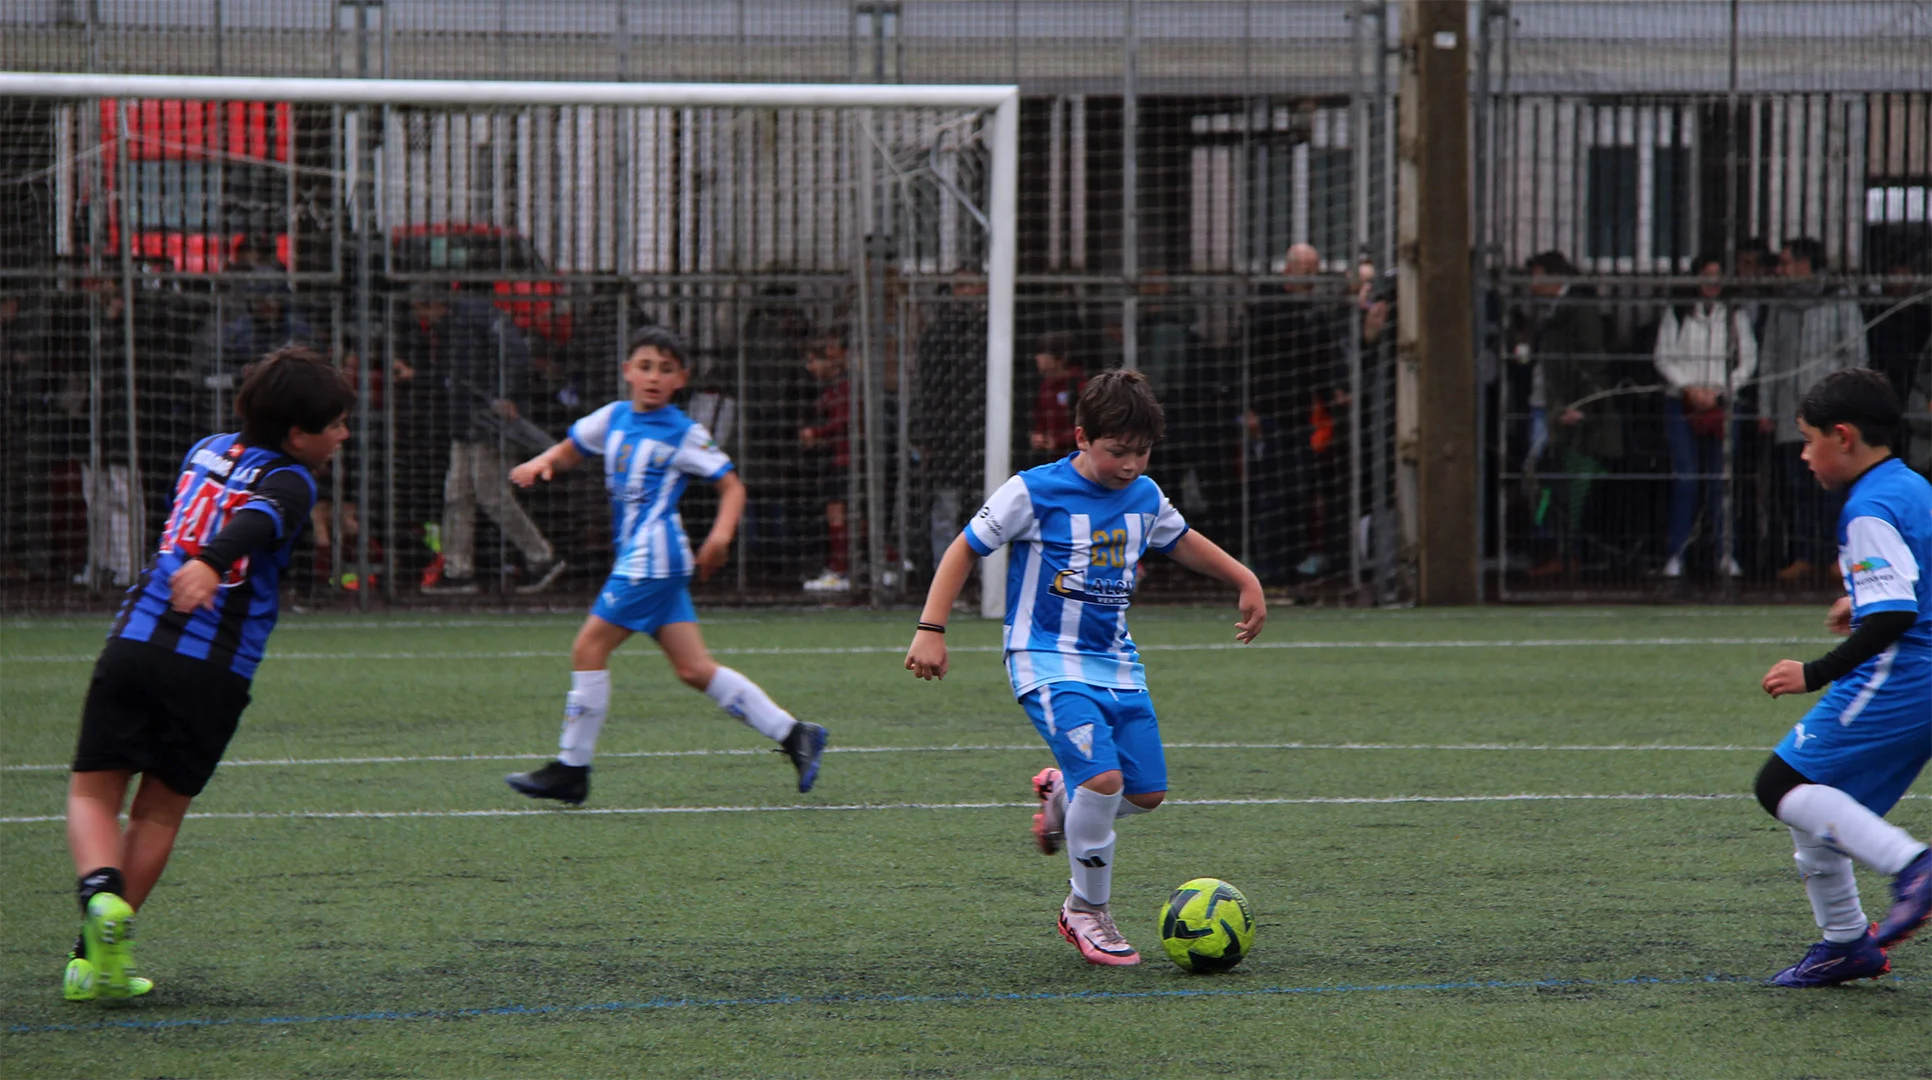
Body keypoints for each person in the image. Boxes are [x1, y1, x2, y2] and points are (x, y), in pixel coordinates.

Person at [903, 370, 1265, 966]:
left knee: (1147, 793)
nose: (1130, 464)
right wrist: (931, 629)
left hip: (1116, 664)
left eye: (1142, 451)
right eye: (1117, 451)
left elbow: (1181, 539)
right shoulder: (1032, 491)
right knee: (1103, 783)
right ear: (1081, 438)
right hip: (1045, 658)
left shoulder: (1144, 495)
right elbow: (965, 547)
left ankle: (1061, 799)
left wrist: (1244, 579)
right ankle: (1086, 909)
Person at [60, 346, 353, 1002]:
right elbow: (258, 515)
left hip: (135, 644)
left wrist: (203, 558)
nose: (344, 436)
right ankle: (91, 957)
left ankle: (99, 898)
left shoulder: (204, 450)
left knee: (93, 795)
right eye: (335, 425)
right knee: (159, 815)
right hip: (214, 670)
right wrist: (213, 562)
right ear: (297, 435)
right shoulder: (295, 481)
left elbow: (220, 510)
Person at [502, 326, 828, 806]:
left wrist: (720, 538)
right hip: (646, 559)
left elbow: (732, 487)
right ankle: (796, 733)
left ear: (681, 379)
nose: (654, 377)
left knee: (588, 648)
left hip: (652, 559)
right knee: (693, 669)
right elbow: (572, 448)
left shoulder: (683, 431)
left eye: (666, 369)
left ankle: (571, 769)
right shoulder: (614, 417)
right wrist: (541, 462)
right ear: (627, 372)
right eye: (646, 366)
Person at [1754, 367, 1932, 986]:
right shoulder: (1911, 485)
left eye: (1809, 440)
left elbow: (1895, 615)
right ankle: (1846, 943)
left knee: (1781, 784)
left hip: (1907, 674)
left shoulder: (1867, 507)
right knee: (1820, 801)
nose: (1805, 456)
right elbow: (1911, 579)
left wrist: (1814, 672)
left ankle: (1913, 867)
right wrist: (1857, 598)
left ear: (1844, 436)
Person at [395, 288, 563, 595]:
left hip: (487, 420)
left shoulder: (473, 317)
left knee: (492, 495)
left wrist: (506, 394)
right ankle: (458, 570)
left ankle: (542, 558)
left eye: (420, 308)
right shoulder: (453, 325)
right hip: (467, 420)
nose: (419, 317)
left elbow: (513, 352)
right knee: (458, 495)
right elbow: (454, 376)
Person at [1758, 237, 1870, 583]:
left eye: (1787, 262)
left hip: (1831, 412)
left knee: (1833, 486)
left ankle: (1840, 555)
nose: (1781, 270)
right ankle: (1806, 555)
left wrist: (1850, 402)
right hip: (1790, 409)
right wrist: (1766, 407)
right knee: (1798, 487)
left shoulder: (1839, 299)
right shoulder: (1781, 305)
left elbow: (1856, 353)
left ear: (1805, 264)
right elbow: (1769, 357)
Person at [1652, 251, 1758, 578]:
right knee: (1686, 478)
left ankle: (1725, 553)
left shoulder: (1735, 314)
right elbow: (1663, 357)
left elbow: (1747, 360)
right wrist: (1689, 388)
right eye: (1706, 275)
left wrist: (1720, 391)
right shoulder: (1678, 312)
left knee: (1720, 481)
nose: (1712, 282)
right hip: (1682, 402)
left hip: (1723, 403)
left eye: (1717, 276)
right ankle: (1677, 554)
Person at [1520, 250, 1617, 579]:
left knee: (1552, 479)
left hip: (1560, 408)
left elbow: (1593, 362)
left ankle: (1561, 550)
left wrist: (1583, 405)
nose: (1531, 282)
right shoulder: (1553, 308)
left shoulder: (1578, 308)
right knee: (1543, 475)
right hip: (1546, 404)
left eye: (1536, 275)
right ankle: (1552, 547)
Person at [799, 327, 854, 594]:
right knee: (842, 514)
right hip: (837, 458)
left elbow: (842, 422)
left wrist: (816, 433)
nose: (809, 367)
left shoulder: (843, 388)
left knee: (838, 513)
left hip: (846, 460)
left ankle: (840, 571)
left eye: (813, 360)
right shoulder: (831, 388)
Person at [1028, 330, 1085, 463]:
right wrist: (1038, 436)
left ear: (1059, 358)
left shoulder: (1078, 385)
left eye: (1043, 353)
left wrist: (1058, 441)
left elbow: (1089, 425)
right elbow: (1040, 419)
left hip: (1076, 458)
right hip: (1051, 460)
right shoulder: (1044, 387)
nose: (1037, 358)